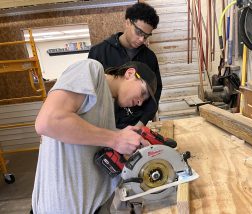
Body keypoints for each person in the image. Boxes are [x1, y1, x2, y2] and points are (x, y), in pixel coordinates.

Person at [31, 59, 157, 213]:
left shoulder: (109, 107)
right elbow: (47, 121)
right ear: (130, 74)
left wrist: (122, 139)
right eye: (142, 93)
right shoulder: (91, 70)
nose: (139, 102)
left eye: (143, 101)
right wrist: (116, 139)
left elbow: (86, 138)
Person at [88, 2, 162, 129]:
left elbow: (155, 93)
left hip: (135, 125)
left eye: (146, 36)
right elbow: (91, 92)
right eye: (139, 32)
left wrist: (140, 124)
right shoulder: (99, 52)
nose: (141, 40)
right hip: (107, 126)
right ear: (127, 22)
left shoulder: (149, 57)